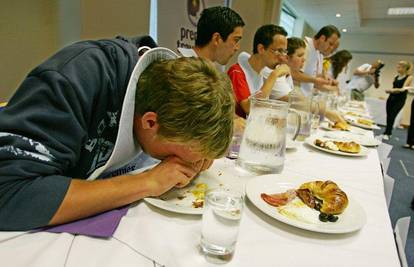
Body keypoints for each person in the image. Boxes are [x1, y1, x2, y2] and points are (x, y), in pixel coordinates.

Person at [0, 36, 235, 230]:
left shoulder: (164, 84)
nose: (196, 166)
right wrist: (147, 182)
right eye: (190, 158)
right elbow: (9, 194)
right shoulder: (71, 82)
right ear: (151, 122)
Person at [227, 24, 290, 118]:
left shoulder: (260, 72)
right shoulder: (237, 72)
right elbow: (249, 108)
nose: (282, 58)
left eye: (284, 51)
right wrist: (274, 75)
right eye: (278, 51)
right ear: (261, 49)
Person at [177, 6, 244, 67]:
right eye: (236, 40)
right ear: (217, 39)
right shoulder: (176, 68)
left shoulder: (212, 74)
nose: (237, 48)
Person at [291, 25, 341, 97]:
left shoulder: (317, 51)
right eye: (330, 44)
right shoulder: (305, 47)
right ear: (322, 38)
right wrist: (315, 80)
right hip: (295, 95)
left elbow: (308, 73)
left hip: (305, 95)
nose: (331, 48)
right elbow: (293, 73)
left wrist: (322, 77)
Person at [383, 61, 413, 140]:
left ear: (404, 68)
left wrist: (391, 90)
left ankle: (388, 133)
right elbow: (394, 87)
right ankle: (387, 131)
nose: (398, 67)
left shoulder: (409, 77)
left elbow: (403, 89)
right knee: (389, 115)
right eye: (398, 66)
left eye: (399, 66)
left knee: (393, 115)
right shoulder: (396, 76)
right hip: (391, 98)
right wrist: (392, 90)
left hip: (400, 99)